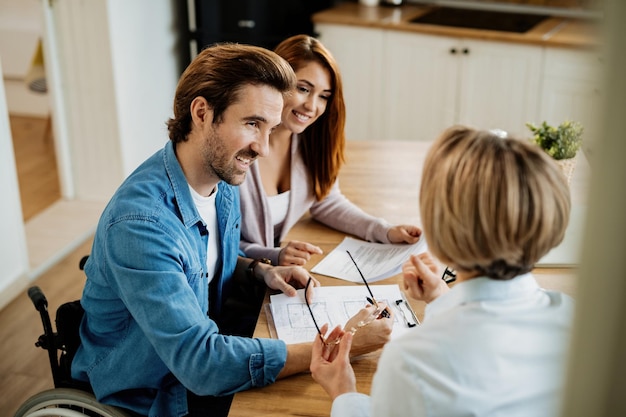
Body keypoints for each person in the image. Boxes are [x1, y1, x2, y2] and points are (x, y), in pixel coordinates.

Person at [71, 43, 393, 417]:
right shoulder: (141, 225)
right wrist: (338, 348)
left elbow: (200, 263)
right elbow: (202, 364)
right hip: (154, 394)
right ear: (202, 112)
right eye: (252, 124)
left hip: (207, 348)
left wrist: (260, 270)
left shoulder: (220, 181)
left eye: (270, 129)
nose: (264, 148)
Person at [310, 126, 574, 417]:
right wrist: (440, 298)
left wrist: (343, 393)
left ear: (441, 229)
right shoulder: (575, 320)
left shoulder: (412, 362)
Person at [239, 34, 421, 266]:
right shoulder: (240, 149)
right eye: (303, 89)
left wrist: (384, 231)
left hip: (277, 273)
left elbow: (325, 201)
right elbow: (217, 242)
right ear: (276, 80)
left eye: (324, 97)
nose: (312, 107)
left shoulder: (308, 142)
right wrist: (273, 255)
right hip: (240, 283)